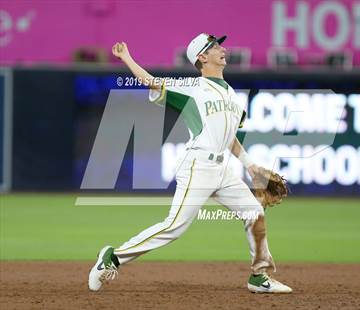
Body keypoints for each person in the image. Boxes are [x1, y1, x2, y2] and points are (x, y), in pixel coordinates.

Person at [88, 33, 292, 294]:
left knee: (255, 213)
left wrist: (250, 166)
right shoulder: (191, 87)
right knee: (174, 227)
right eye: (214, 46)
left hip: (222, 170)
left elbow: (230, 139)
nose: (222, 48)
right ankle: (112, 257)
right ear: (202, 57)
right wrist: (127, 58)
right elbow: (151, 82)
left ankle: (259, 276)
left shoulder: (231, 94)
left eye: (219, 44)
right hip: (199, 166)